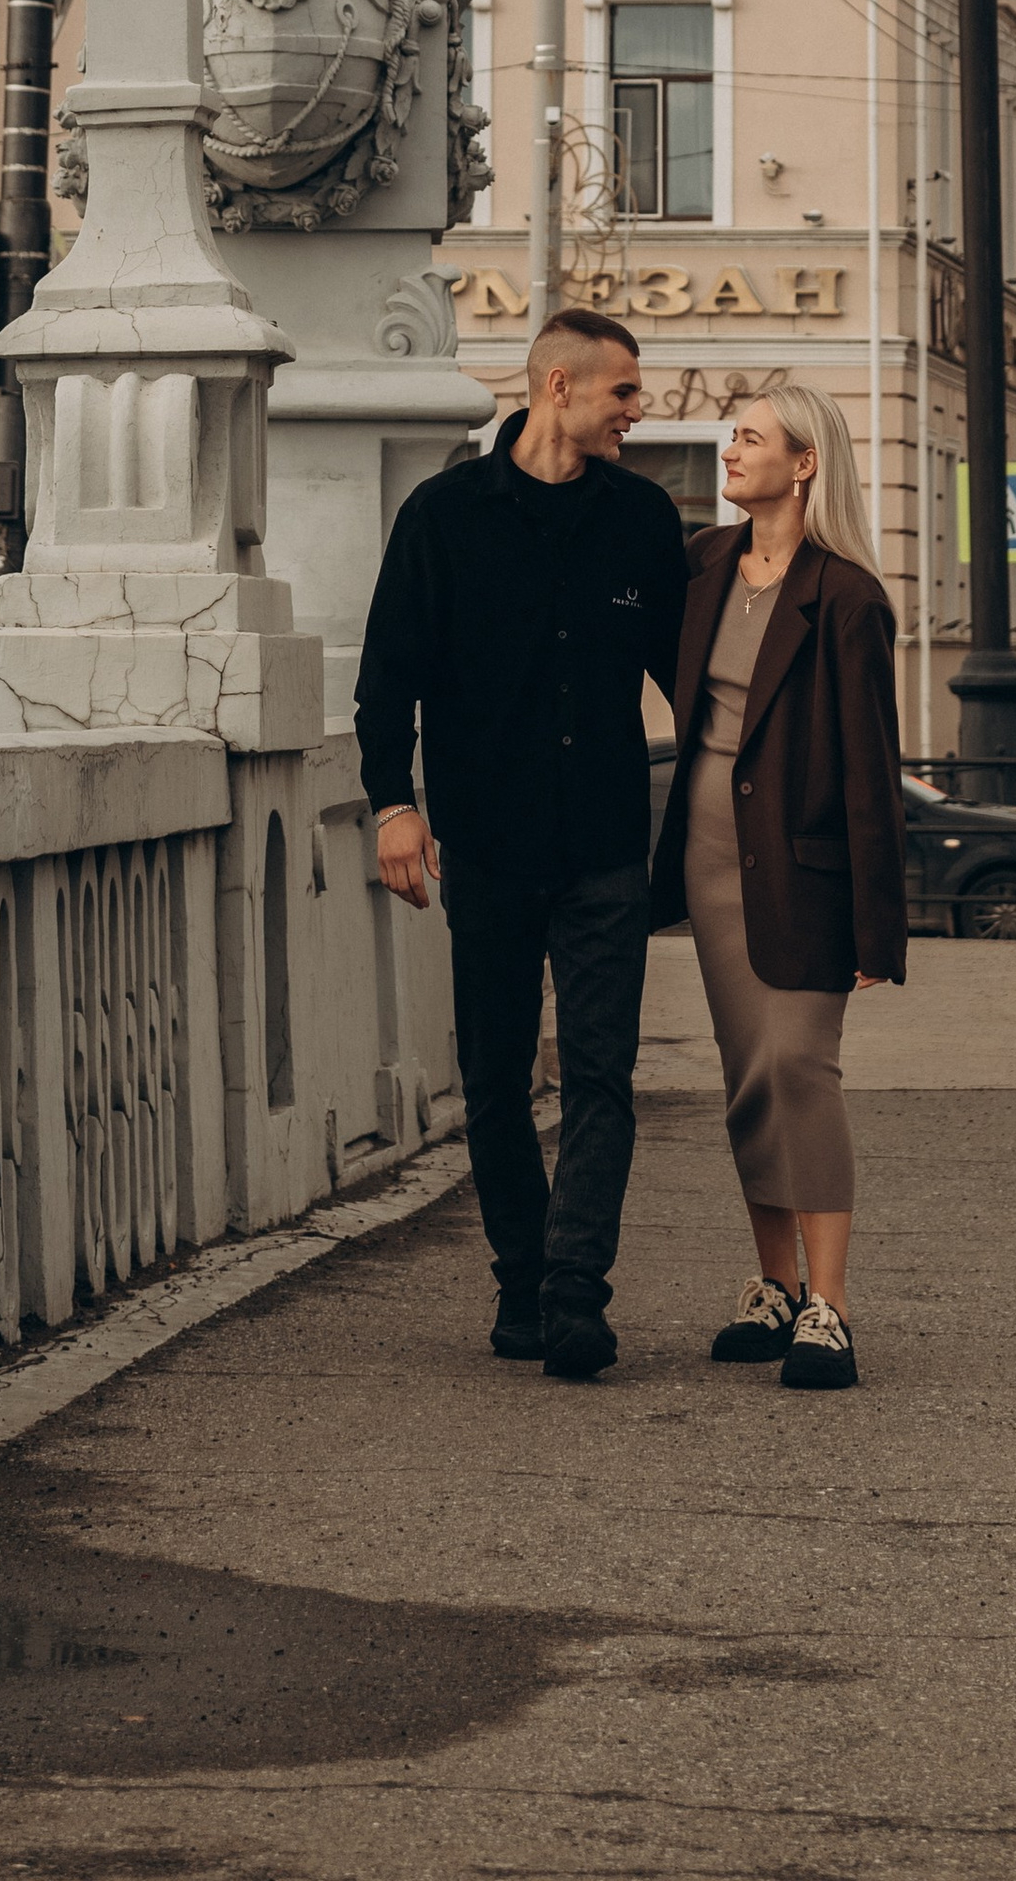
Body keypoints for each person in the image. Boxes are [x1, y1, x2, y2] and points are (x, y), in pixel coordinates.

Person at [357, 309, 686, 1382]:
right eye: (623, 393)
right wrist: (389, 805)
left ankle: (574, 1290)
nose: (638, 411)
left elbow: (689, 680)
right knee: (495, 1078)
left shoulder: (642, 520)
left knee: (601, 1075)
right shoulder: (444, 516)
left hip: (601, 844)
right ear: (557, 388)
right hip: (486, 845)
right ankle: (519, 1279)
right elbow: (386, 679)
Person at [648, 386, 907, 1394]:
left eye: (749, 438)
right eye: (731, 436)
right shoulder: (704, 562)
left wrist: (874, 930)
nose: (730, 451)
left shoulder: (846, 597)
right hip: (709, 858)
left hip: (804, 871)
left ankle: (831, 1308)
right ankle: (772, 1287)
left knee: (801, 1067)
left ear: (803, 464)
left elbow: (869, 771)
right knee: (748, 1074)